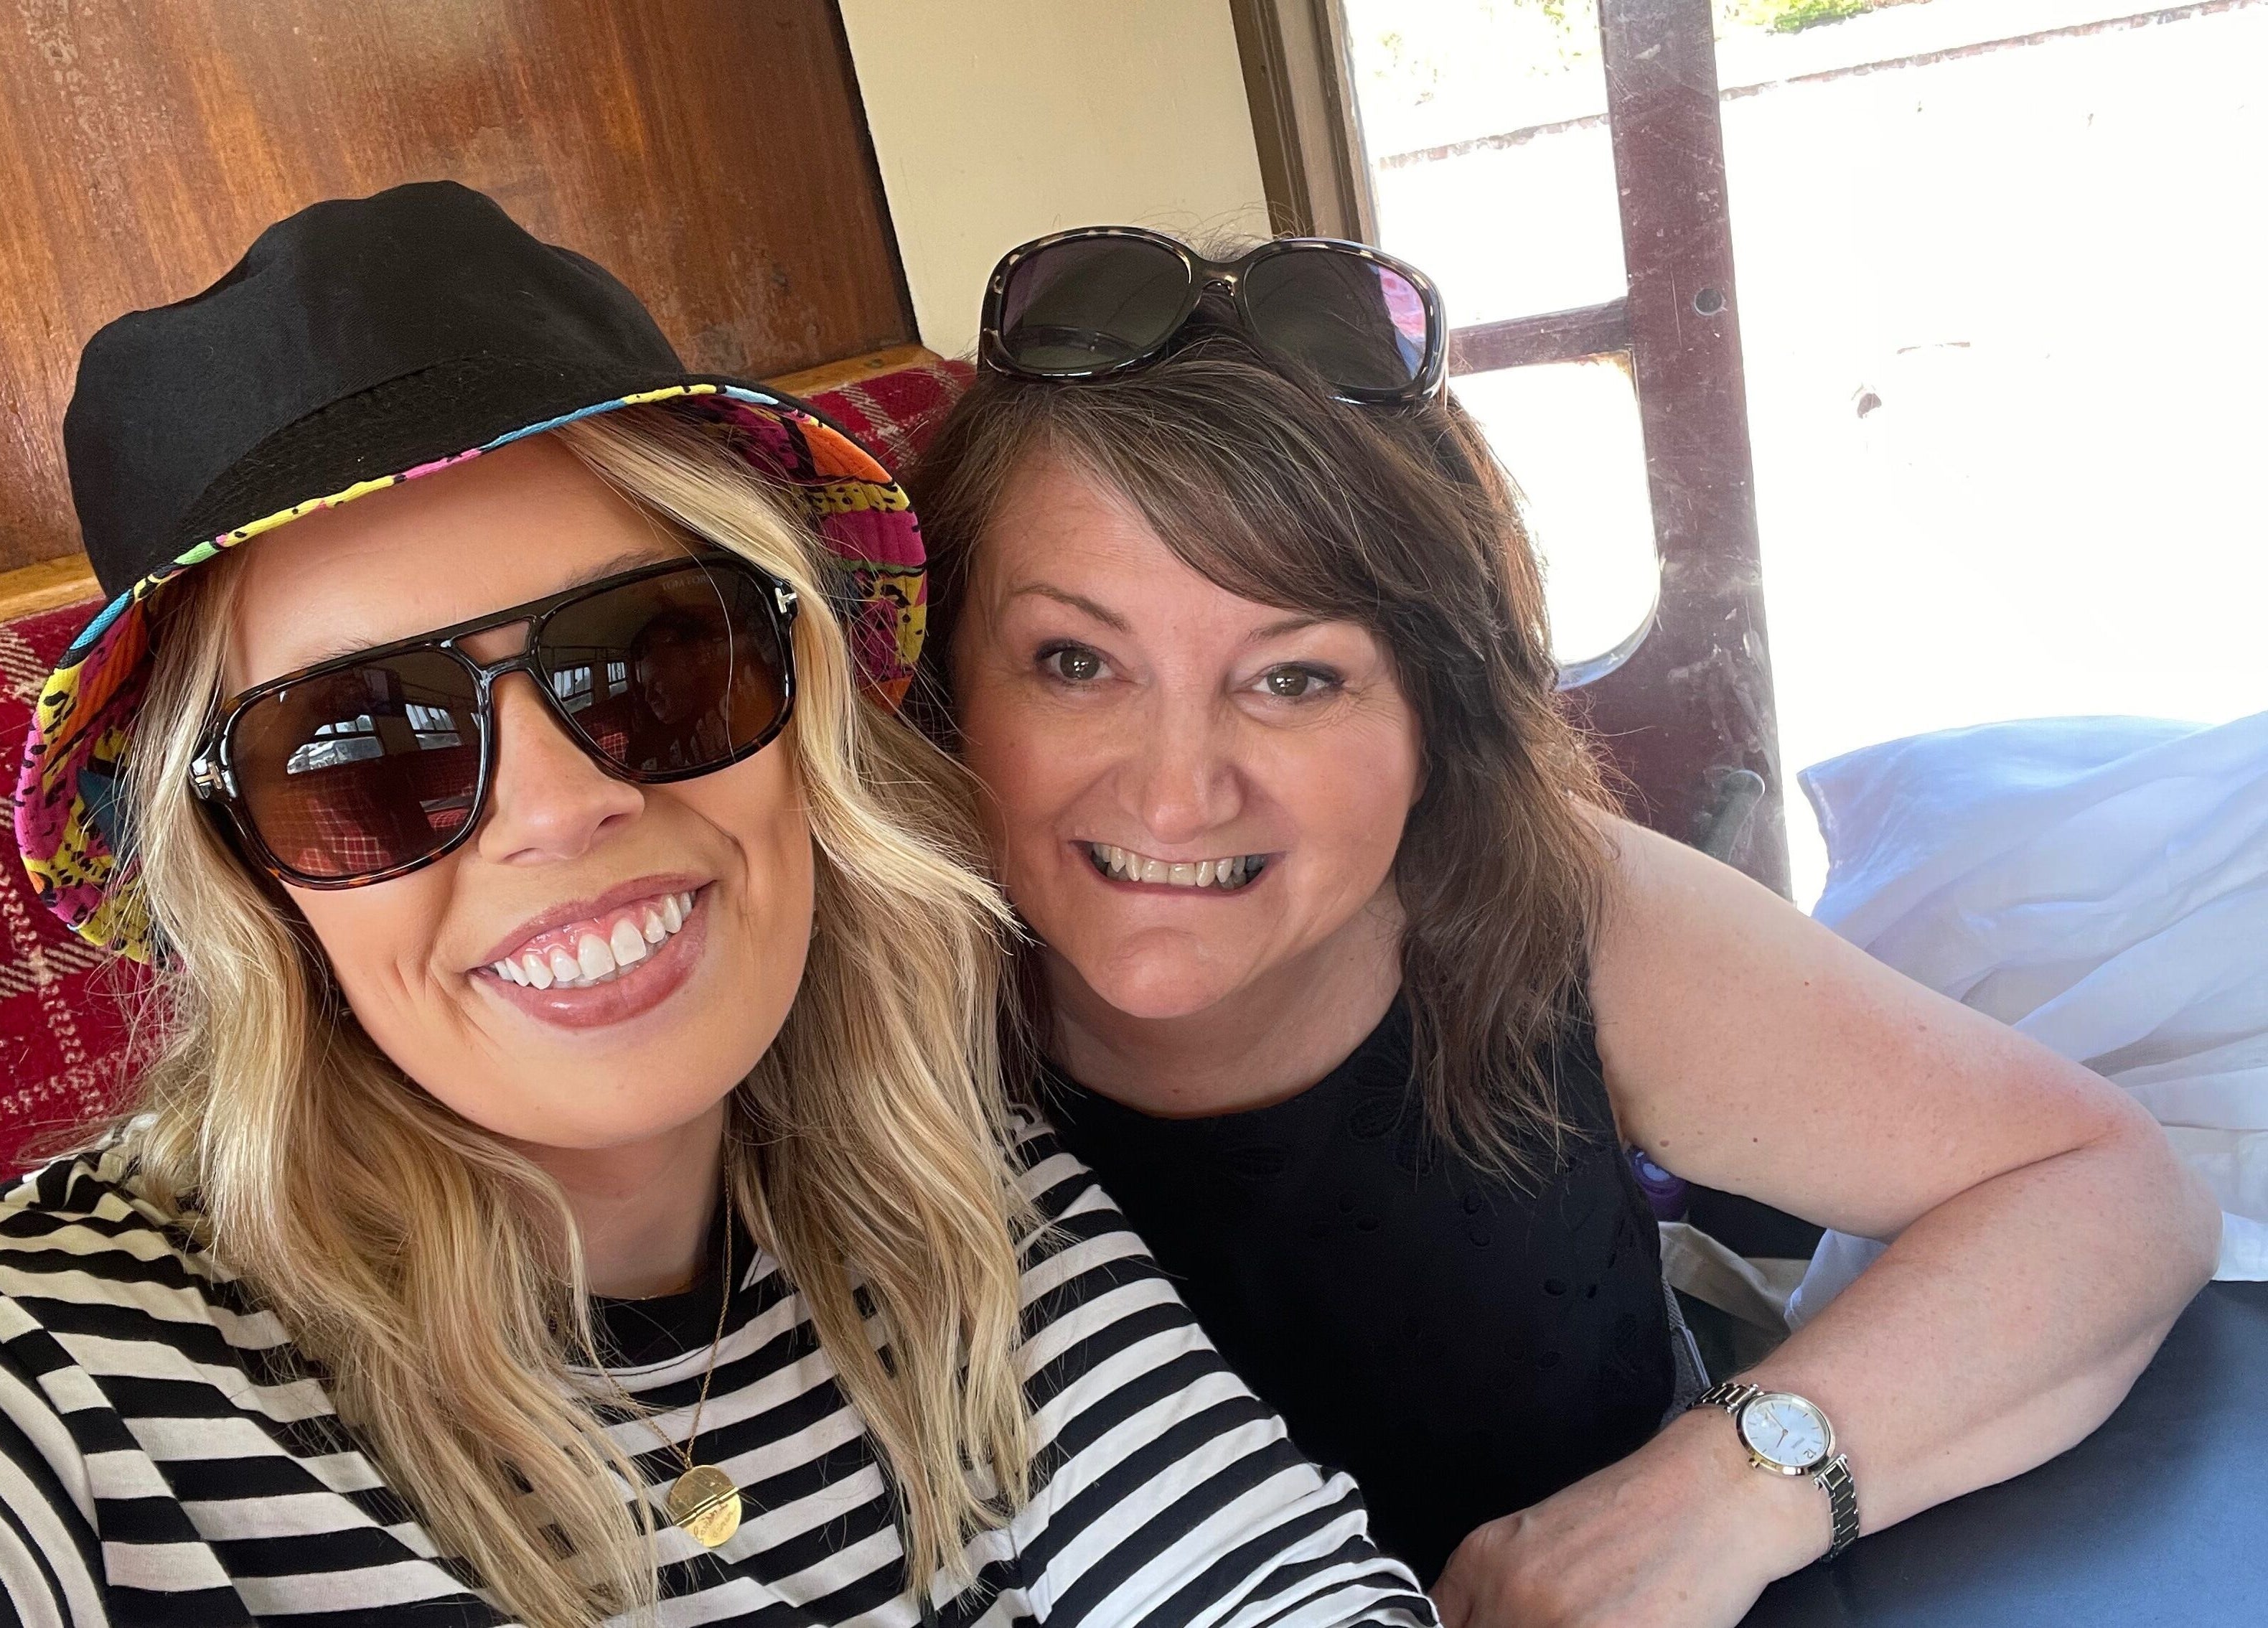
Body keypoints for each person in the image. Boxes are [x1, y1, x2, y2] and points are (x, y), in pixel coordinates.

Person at [0, 186, 1438, 1628]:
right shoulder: (77, 1372)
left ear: (801, 704)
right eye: (364, 749)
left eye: (651, 661)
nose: (560, 808)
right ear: (240, 864)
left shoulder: (942, 1188)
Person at [910, 227, 2223, 1627]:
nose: (1174, 794)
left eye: (1293, 677)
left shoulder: (1558, 911)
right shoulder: (845, 999)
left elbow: (2110, 1194)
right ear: (946, 681)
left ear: (1436, 713)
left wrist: (1723, 1493)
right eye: (1073, 661)